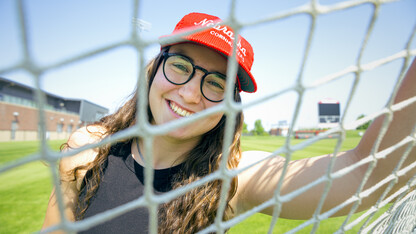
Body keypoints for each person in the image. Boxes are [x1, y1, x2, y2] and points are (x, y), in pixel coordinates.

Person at [42, 12, 416, 233]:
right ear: (153, 71)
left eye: (217, 83)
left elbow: (367, 174)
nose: (190, 94)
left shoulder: (230, 177)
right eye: (180, 67)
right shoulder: (93, 148)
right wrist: (65, 180)